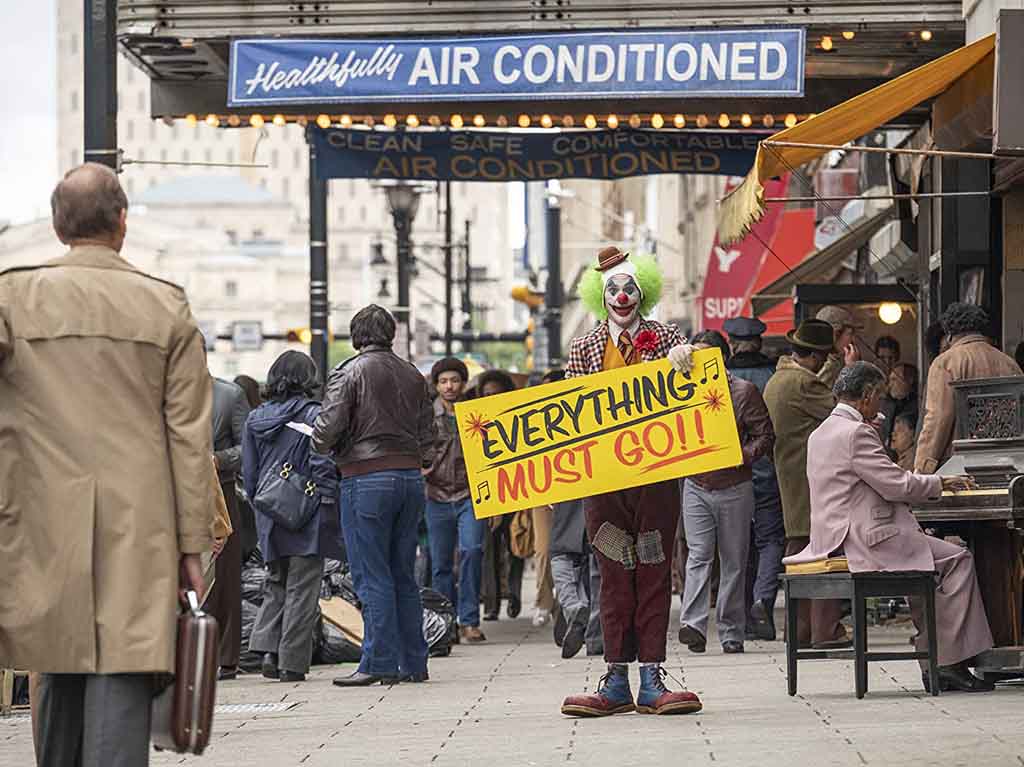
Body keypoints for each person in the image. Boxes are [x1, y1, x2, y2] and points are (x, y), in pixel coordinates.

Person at [0, 163, 215, 766]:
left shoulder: (12, 296)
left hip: (38, 519)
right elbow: (188, 440)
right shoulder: (165, 306)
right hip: (138, 525)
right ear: (122, 223)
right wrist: (193, 547)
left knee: (56, 666)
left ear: (56, 224)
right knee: (122, 669)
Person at [785, 362, 994, 693]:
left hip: (831, 536)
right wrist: (940, 482)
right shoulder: (855, 433)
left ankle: (936, 658)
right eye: (878, 397)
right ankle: (948, 661)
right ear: (867, 395)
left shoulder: (821, 432)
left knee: (925, 561)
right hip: (864, 538)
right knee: (957, 560)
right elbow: (896, 485)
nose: (880, 405)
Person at [560, 246, 702, 718]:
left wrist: (689, 358)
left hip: (656, 477)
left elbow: (695, 392)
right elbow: (571, 414)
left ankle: (652, 675)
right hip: (604, 479)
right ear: (602, 297)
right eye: (613, 290)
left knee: (655, 567)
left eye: (629, 288)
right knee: (613, 571)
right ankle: (616, 676)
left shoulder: (667, 336)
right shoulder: (582, 346)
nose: (622, 296)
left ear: (643, 291)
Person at [314, 305, 435, 686]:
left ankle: (377, 661)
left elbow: (325, 431)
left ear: (355, 336)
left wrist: (323, 442)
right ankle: (414, 661)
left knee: (372, 573)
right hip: (410, 478)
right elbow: (430, 436)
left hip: (366, 478)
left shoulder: (349, 372)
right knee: (403, 573)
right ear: (391, 333)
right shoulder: (414, 375)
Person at [242, 351, 340, 682]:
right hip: (306, 511)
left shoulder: (255, 418)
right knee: (303, 586)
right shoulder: (314, 415)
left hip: (269, 511)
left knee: (275, 582)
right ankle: (292, 663)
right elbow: (322, 462)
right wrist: (328, 498)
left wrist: (262, 506)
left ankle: (268, 651)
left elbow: (250, 471)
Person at [678, 331, 775, 655]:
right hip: (696, 486)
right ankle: (692, 624)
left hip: (735, 487)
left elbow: (765, 435)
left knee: (734, 561)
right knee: (698, 555)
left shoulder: (744, 392)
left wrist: (742, 455)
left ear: (721, 358)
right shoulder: (683, 391)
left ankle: (732, 630)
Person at [763, 319, 852, 649]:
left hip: (791, 479)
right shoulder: (802, 383)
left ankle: (800, 631)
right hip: (811, 481)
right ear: (815, 357)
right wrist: (848, 369)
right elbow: (841, 410)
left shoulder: (780, 378)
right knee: (823, 555)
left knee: (801, 555)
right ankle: (825, 631)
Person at [723, 316, 785, 641]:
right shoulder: (773, 375)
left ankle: (744, 614)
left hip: (731, 476)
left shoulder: (722, 379)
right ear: (760, 343)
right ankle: (764, 601)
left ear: (731, 344)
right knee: (771, 538)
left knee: (739, 547)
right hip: (769, 470)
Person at [423, 356, 488, 644]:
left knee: (472, 551)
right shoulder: (424, 418)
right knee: (440, 564)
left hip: (469, 495)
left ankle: (470, 620)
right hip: (435, 496)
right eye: (443, 381)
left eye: (454, 380)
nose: (449, 386)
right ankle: (444, 622)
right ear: (436, 385)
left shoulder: (476, 413)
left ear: (463, 383)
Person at [915, 303, 1023, 473]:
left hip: (958, 468)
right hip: (1007, 466)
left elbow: (938, 419)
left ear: (949, 334)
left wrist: (923, 468)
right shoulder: (1009, 363)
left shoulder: (945, 363)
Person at [207, 373, 252, 680]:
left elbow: (247, 447)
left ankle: (225, 657)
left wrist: (218, 460)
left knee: (224, 577)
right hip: (170, 490)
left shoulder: (229, 395)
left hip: (219, 490)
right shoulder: (160, 391)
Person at [478, 369, 526, 622]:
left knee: (516, 544)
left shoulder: (517, 419)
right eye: (486, 394)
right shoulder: (474, 423)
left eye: (496, 394)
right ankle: (492, 604)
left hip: (515, 493)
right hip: (488, 496)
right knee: (489, 550)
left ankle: (515, 594)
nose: (490, 398)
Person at [530, 368, 565, 628]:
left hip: (575, 496)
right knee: (543, 550)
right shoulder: (534, 420)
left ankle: (566, 603)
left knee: (573, 551)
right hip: (542, 494)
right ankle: (544, 601)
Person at [550, 498, 605, 659]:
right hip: (600, 490)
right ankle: (596, 638)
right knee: (599, 561)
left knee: (561, 553)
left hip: (567, 488)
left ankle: (573, 607)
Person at [815, 305, 862, 388]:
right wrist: (851, 369)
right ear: (834, 335)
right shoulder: (823, 365)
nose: (853, 340)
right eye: (850, 334)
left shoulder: (837, 361)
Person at [879, 362, 918, 450]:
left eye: (894, 379)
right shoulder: (887, 404)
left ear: (909, 380)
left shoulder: (917, 406)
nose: (890, 385)